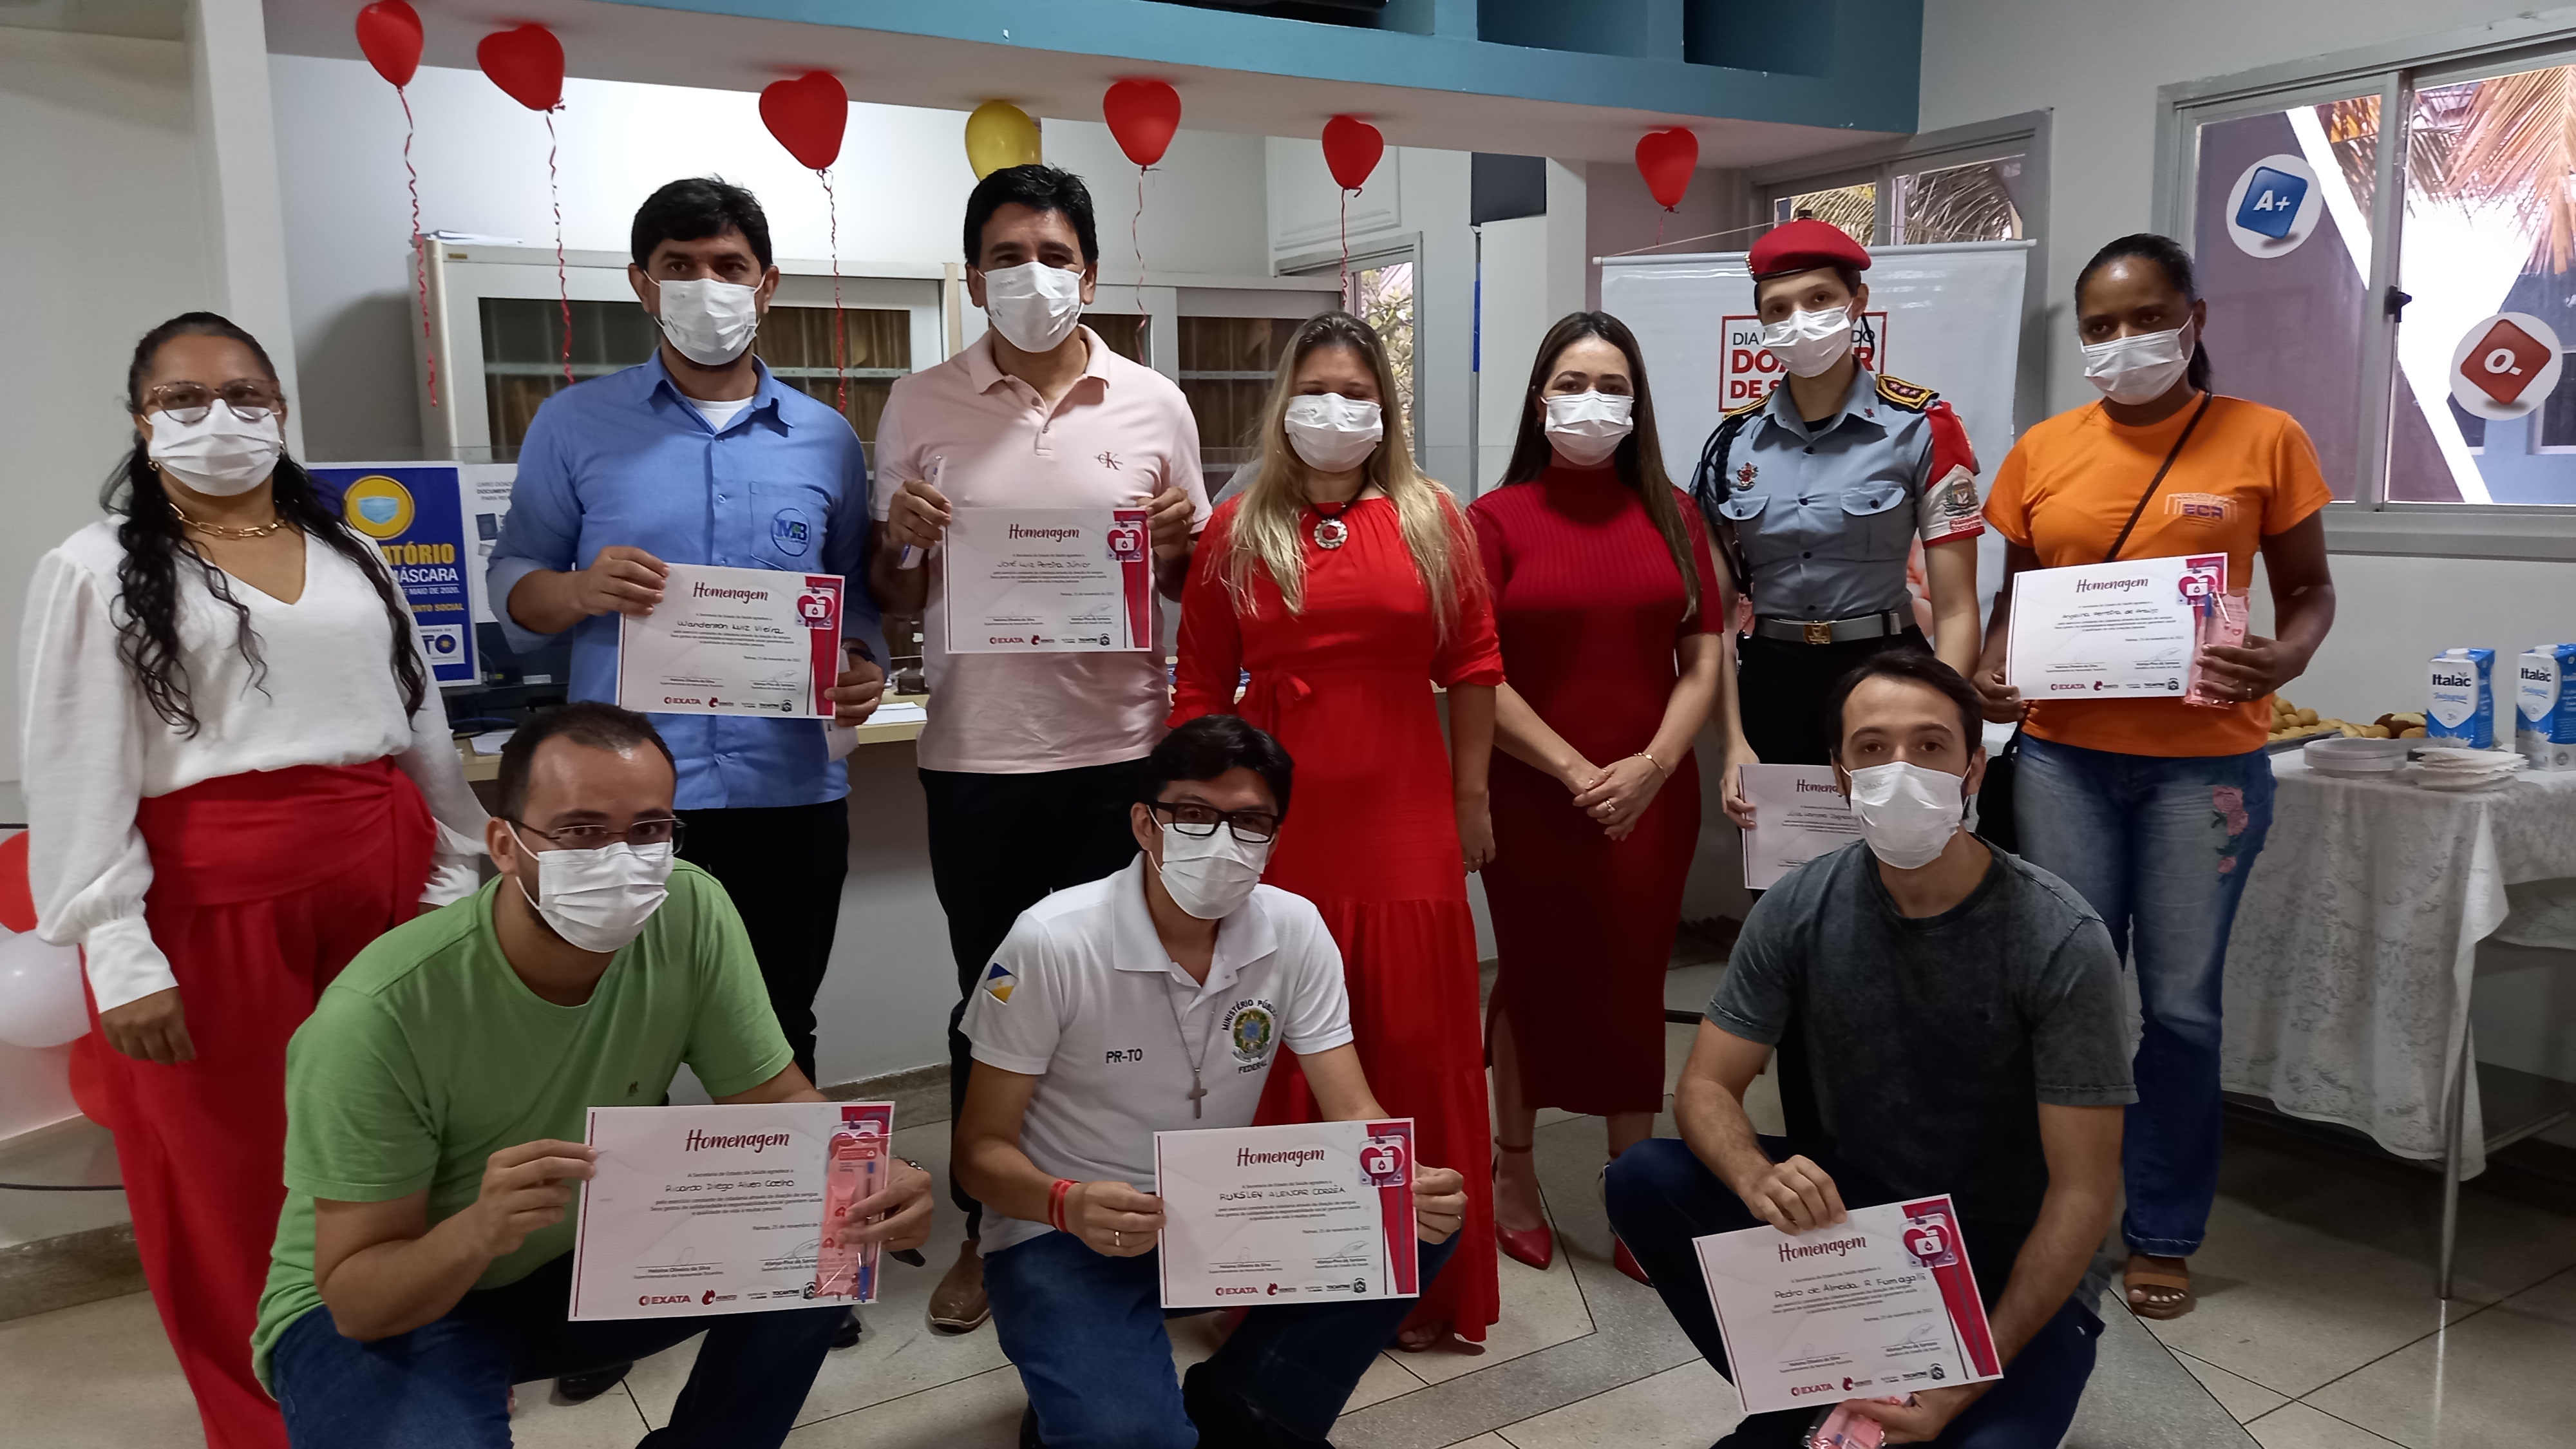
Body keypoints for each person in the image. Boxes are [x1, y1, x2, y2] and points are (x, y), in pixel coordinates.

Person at [18, 312, 488, 1449]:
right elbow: (74, 766)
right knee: (229, 1172)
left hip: (380, 869)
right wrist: (117, 950)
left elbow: (417, 719)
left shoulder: (353, 552)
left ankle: (417, 1375)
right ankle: (270, 1415)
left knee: (396, 1139)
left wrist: (453, 867)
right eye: (182, 398)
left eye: (244, 393)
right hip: (211, 902)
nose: (217, 416)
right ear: (142, 422)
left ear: (280, 410)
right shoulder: (93, 569)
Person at [251, 703, 937, 1448]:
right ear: (505, 845)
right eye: (580, 831)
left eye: (648, 829)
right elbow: (358, 1303)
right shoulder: (381, 1015)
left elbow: (771, 1097)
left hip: (581, 1253)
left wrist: (873, 1178)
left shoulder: (689, 909)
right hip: (393, 1295)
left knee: (825, 1233)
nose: (621, 859)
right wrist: (477, 1230)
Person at [1605, 652, 2130, 1447]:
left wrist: (1969, 1374)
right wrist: (1758, 1177)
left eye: (1930, 746)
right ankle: (1803, 1384)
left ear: (1973, 769)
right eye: (1872, 749)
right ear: (1840, 776)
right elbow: (1707, 1086)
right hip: (1860, 1232)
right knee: (1645, 1178)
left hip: (2004, 1255)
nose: (1900, 769)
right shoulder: (1799, 905)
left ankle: (1862, 1391)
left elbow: (2083, 1193)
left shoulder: (2057, 938)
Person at [869, 162, 1208, 1332]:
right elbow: (893, 595)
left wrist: (1179, 544)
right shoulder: (919, 403)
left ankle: (1134, 1215)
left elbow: (1187, 586)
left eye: (1054, 256)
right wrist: (901, 540)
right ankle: (992, 1228)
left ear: (1091, 274)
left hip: (1123, 755)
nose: (1032, 276)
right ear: (973, 278)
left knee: (1128, 1003)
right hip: (980, 759)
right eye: (1007, 257)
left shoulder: (1155, 403)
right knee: (994, 1000)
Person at [1973, 233, 2336, 1322]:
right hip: (2064, 762)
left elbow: (2309, 589)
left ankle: (2164, 1231)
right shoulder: (2043, 450)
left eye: (2146, 319)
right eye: (2101, 326)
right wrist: (1991, 670)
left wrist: (2286, 656)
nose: (2123, 341)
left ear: (2194, 319)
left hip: (2204, 773)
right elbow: (2016, 599)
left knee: (2179, 1007)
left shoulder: (2266, 438)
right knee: (2070, 994)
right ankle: (2057, 1208)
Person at [954, 715, 1468, 1449]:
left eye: (1250, 822)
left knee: (1416, 1226)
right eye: (1194, 814)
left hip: (1219, 1212)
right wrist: (1065, 1203)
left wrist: (1402, 1179)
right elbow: (978, 1154)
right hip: (1063, 1228)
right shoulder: (1052, 939)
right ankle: (1097, 1402)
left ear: (1273, 840)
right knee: (1129, 1437)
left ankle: (1238, 1406)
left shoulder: (1294, 928)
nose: (1223, 842)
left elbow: (1351, 1105)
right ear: (1145, 824)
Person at [487, 176, 885, 1090]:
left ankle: (780, 1190)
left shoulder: (825, 437)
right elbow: (516, 584)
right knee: (617, 1036)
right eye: (680, 266)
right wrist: (579, 589)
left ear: (766, 284)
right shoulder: (574, 423)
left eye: (729, 266)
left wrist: (860, 662)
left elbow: (853, 596)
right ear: (643, 283)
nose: (707, 285)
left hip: (790, 792)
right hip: (623, 805)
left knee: (780, 1024)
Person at [1171, 308, 1503, 1349]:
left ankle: (1418, 1282)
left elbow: (1476, 665)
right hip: (1277, 825)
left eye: (1356, 394)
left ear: (1385, 411)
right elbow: (1196, 690)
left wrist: (1472, 798)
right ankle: (1270, 1277)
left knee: (1411, 1036)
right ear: (1285, 404)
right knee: (1273, 1039)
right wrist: (1198, 825)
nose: (1335, 409)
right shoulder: (1237, 527)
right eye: (1316, 390)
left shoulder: (1435, 518)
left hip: (1407, 813)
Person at [1469, 312, 1725, 1282]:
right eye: (1572, 382)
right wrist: (1578, 771)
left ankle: (1632, 1185)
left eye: (1612, 384)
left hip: (1653, 794)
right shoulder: (1492, 520)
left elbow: (1703, 658)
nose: (1591, 401)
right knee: (1533, 974)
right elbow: (1474, 673)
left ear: (1637, 401)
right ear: (1540, 398)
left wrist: (1652, 765)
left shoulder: (1675, 513)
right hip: (1534, 794)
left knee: (1631, 979)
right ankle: (1515, 1174)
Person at [1689, 218, 1985, 817]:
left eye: (1820, 298)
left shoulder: (1922, 427)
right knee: (1783, 861)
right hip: (1772, 677)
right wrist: (1733, 740)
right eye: (1778, 309)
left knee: (1896, 848)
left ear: (1858, 301)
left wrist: (1938, 721)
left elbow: (1956, 608)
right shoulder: (1730, 445)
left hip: (1889, 669)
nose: (1799, 320)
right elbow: (1716, 617)